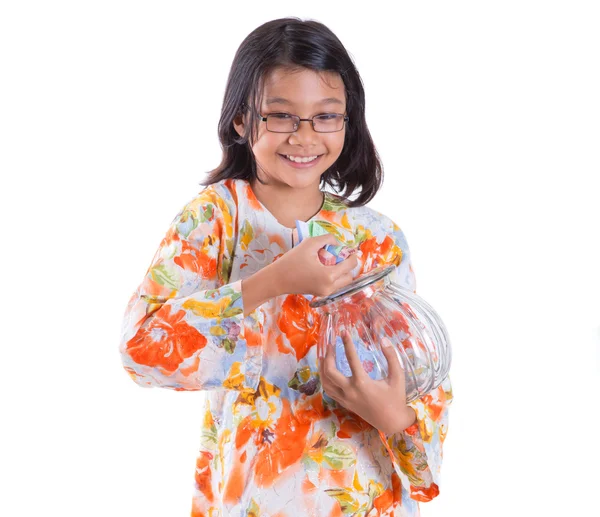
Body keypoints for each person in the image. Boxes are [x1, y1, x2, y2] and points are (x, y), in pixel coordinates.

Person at [119, 17, 453, 517]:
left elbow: (423, 373)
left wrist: (394, 416)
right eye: (280, 116)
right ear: (240, 120)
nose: (304, 136)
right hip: (253, 499)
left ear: (348, 122)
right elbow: (142, 351)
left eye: (326, 116)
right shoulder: (215, 219)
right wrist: (272, 283)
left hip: (367, 498)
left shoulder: (377, 238)